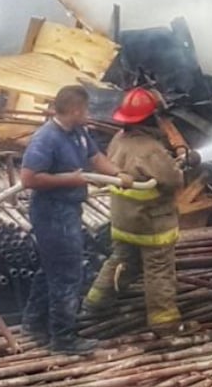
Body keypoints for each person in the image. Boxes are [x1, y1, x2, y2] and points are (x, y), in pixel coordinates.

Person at [20, 84, 126, 354]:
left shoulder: (78, 132)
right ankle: (63, 339)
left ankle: (33, 325)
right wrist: (70, 179)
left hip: (68, 210)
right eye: (86, 108)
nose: (88, 113)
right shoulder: (46, 138)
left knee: (50, 270)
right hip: (52, 214)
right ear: (76, 109)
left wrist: (118, 175)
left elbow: (96, 157)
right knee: (67, 275)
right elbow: (28, 178)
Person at [83, 87, 196, 331]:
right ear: (151, 117)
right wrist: (184, 167)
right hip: (151, 223)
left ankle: (95, 304)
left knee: (121, 261)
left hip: (124, 220)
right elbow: (173, 181)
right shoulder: (151, 149)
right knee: (159, 271)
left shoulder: (119, 139)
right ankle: (164, 323)